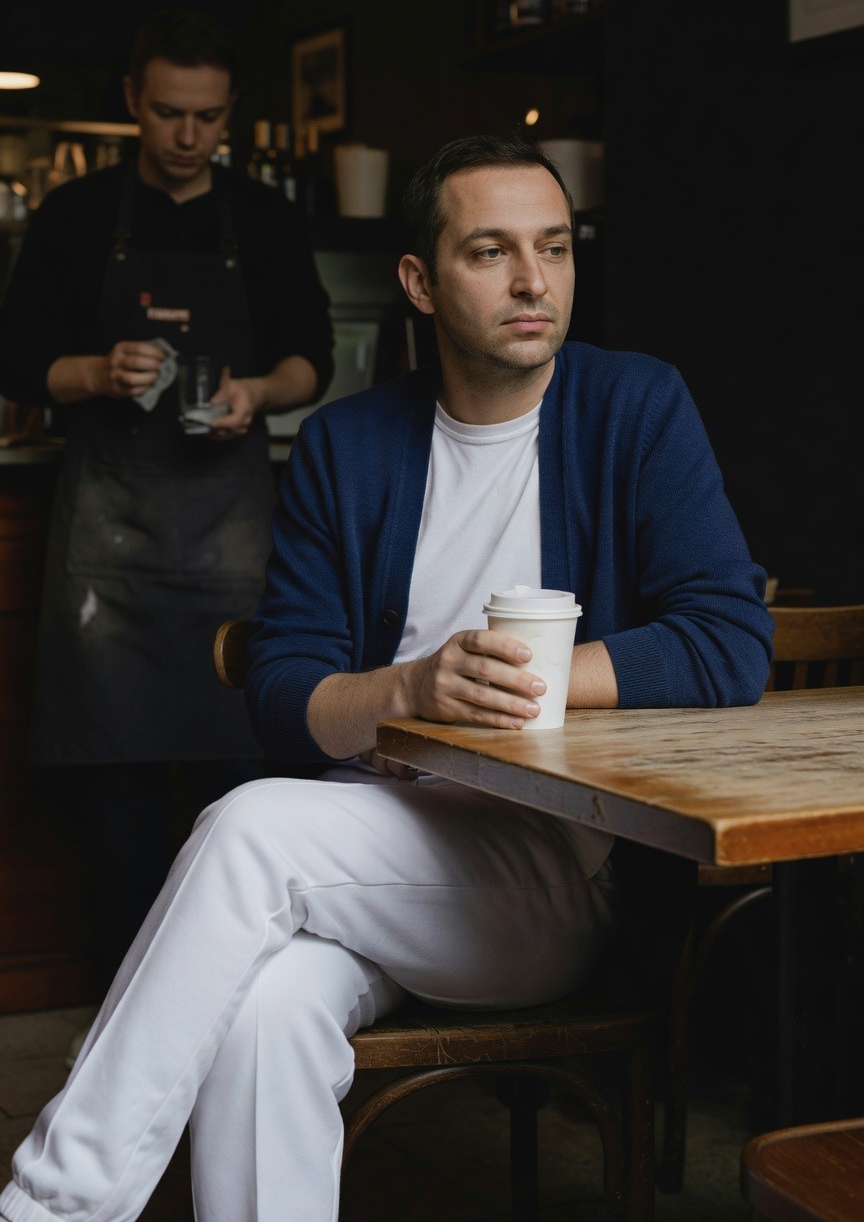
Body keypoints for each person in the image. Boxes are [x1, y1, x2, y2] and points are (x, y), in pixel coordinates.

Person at [0, 133, 773, 1222]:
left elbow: (729, 639)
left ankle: (50, 1208)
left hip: (555, 868)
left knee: (250, 827)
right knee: (267, 1008)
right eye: (491, 252)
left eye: (554, 247)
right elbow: (283, 689)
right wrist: (413, 691)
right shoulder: (348, 444)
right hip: (367, 849)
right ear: (418, 280)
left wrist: (528, 683)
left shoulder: (633, 408)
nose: (532, 281)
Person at [0, 9, 334, 990]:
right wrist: (97, 371)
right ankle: (125, 1003)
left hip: (229, 533)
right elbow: (15, 359)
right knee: (119, 796)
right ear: (135, 104)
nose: (190, 137)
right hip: (110, 547)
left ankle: (230, 997)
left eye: (209, 118)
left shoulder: (263, 221)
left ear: (229, 112)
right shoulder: (75, 216)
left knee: (241, 778)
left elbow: (308, 357)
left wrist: (257, 395)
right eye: (171, 115)